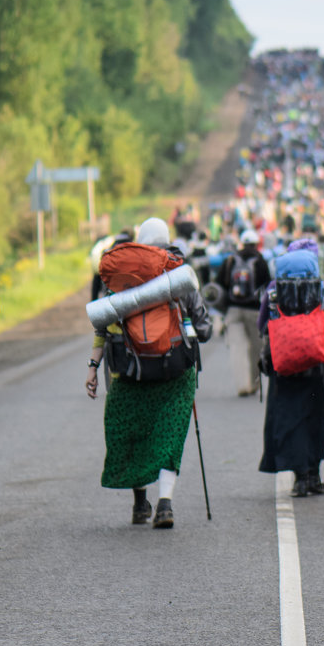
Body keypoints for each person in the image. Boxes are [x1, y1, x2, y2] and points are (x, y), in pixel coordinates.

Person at [86, 217, 212, 529]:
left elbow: (102, 322)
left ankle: (140, 503)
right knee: (170, 434)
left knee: (134, 434)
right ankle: (166, 505)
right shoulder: (179, 273)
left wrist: (93, 367)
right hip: (176, 371)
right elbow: (205, 328)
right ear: (167, 240)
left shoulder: (122, 275)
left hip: (129, 371)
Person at [258, 238, 324, 497]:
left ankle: (299, 476)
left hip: (283, 363)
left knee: (290, 417)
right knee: (316, 416)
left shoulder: (273, 293)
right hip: (320, 365)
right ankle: (314, 473)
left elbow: (262, 326)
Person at [217, 230, 271, 396]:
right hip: (254, 310)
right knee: (256, 347)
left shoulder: (230, 260)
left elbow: (220, 284)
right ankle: (254, 383)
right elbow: (267, 285)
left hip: (233, 310)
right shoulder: (260, 261)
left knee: (237, 348)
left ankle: (242, 385)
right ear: (256, 244)